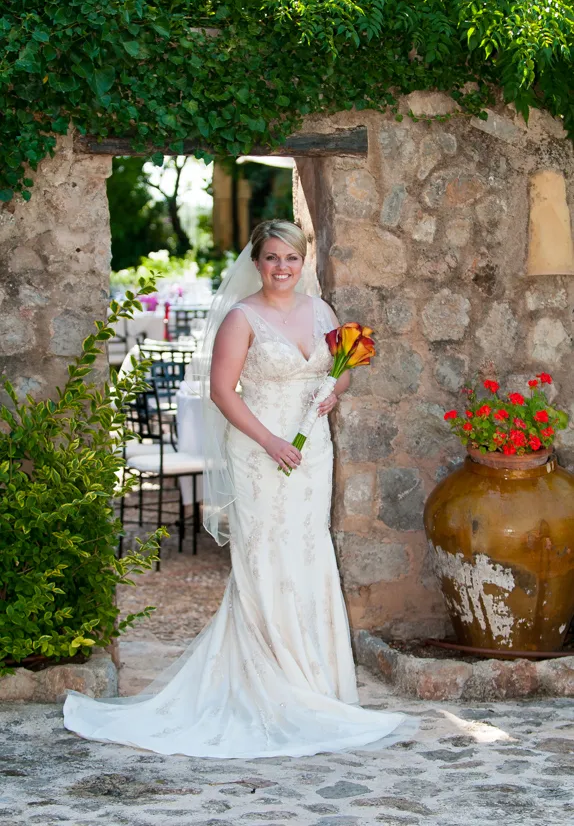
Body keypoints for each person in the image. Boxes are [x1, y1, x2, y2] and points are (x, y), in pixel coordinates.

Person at [63, 220, 417, 757]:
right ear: (257, 261)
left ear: (303, 263)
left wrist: (334, 391)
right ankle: (269, 683)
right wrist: (272, 441)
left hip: (312, 451)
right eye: (272, 258)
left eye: (291, 259)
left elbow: (339, 371)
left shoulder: (321, 312)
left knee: (307, 549)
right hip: (260, 449)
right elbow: (223, 393)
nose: (282, 268)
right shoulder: (241, 317)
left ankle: (317, 685)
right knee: (266, 555)